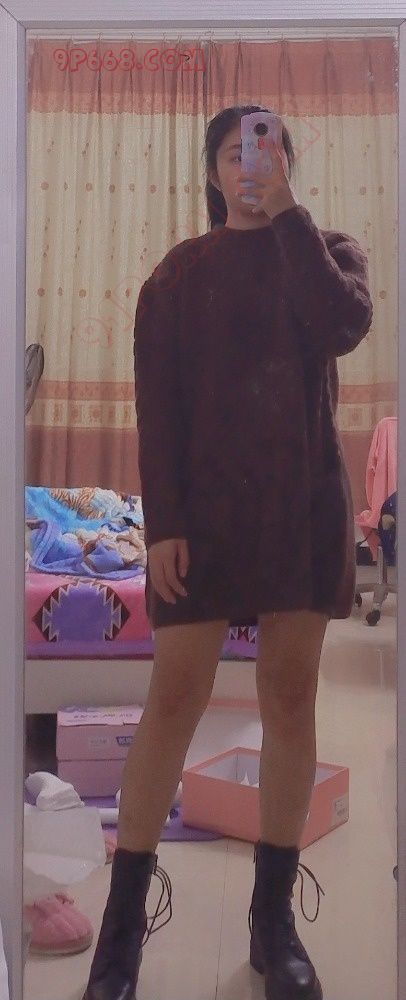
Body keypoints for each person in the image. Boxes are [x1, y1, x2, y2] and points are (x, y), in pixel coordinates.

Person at [82, 105, 373, 1000]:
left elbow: (342, 325)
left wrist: (287, 216)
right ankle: (119, 941)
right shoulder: (176, 277)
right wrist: (164, 521)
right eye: (236, 151)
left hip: (303, 511)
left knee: (289, 697)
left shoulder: (326, 252)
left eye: (269, 148)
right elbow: (158, 409)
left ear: (286, 163)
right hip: (201, 520)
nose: (253, 163)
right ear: (212, 171)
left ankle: (272, 925)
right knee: (174, 698)